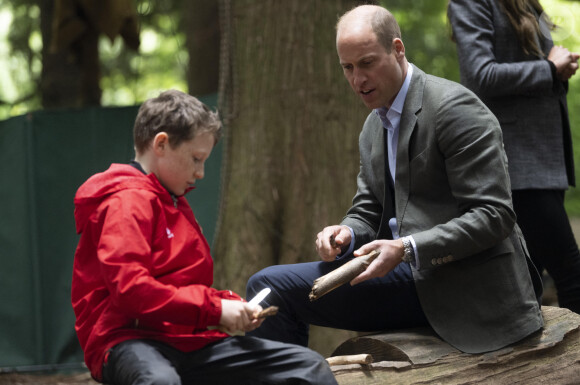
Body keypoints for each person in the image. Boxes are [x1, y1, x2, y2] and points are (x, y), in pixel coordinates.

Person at [247, 4, 543, 354]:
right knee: (266, 288)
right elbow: (368, 208)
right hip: (405, 276)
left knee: (271, 286)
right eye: (348, 68)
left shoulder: (455, 109)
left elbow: (494, 216)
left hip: (464, 286)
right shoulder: (374, 124)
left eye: (367, 63)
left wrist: (406, 248)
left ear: (398, 49)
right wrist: (346, 233)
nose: (358, 80)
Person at [71, 90, 338, 385]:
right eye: (196, 159)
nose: (200, 173)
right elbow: (131, 291)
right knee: (160, 381)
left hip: (188, 339)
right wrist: (216, 309)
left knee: (307, 366)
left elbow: (182, 288)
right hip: (128, 341)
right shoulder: (126, 202)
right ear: (161, 144)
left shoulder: (174, 201)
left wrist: (230, 304)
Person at [447, 0, 580, 314]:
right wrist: (548, 68)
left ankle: (526, 360)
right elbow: (480, 75)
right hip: (514, 160)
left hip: (544, 158)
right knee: (570, 271)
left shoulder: (525, 3)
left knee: (529, 277)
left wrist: (560, 69)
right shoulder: (470, 2)